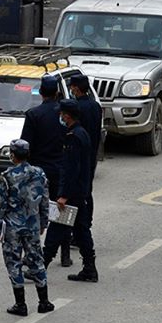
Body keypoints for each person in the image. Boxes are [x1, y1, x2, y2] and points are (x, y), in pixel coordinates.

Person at [0, 139, 54, 316]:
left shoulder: (7, 176)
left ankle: (21, 304)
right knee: (36, 260)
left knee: (13, 262)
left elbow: (0, 204)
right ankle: (44, 302)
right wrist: (44, 222)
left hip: (12, 227)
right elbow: (44, 200)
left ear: (13, 155)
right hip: (33, 225)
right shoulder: (39, 174)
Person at [42, 99, 97, 283]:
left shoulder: (73, 137)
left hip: (71, 195)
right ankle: (89, 268)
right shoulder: (82, 133)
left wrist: (64, 195)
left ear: (67, 115)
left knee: (56, 229)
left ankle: (41, 267)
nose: (60, 116)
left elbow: (72, 169)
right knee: (81, 231)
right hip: (80, 192)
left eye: (62, 113)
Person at [20, 75, 72, 267]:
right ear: (57, 92)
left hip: (38, 170)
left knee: (34, 213)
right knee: (61, 211)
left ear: (41, 93)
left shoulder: (34, 114)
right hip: (60, 169)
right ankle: (65, 254)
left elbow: (26, 145)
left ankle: (33, 253)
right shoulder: (65, 115)